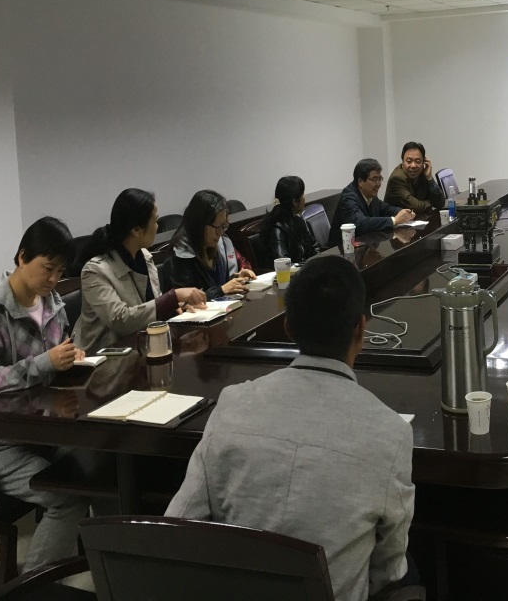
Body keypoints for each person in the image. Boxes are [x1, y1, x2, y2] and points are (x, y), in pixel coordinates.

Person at [166, 255, 416, 601]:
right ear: (361, 329)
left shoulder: (232, 404)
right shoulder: (391, 433)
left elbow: (179, 525)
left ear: (288, 328)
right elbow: (389, 571)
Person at [0, 217, 90, 570]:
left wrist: (70, 358)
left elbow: (57, 358)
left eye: (60, 271)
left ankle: (111, 565)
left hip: (45, 430)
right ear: (22, 257)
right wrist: (45, 363)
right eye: (48, 268)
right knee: (67, 497)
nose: (54, 279)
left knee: (105, 467)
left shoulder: (51, 302)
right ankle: (35, 588)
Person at [74, 189, 206, 352]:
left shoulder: (145, 257)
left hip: (141, 349)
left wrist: (174, 307)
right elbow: (121, 321)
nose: (157, 227)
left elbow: (149, 308)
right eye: (155, 221)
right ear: (136, 230)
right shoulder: (95, 271)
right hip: (104, 358)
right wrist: (172, 297)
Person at [169, 190, 256, 300]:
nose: (221, 232)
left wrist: (239, 275)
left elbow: (241, 262)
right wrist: (221, 290)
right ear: (200, 225)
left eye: (224, 226)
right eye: (217, 227)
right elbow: (184, 302)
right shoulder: (181, 256)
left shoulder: (221, 242)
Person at [328, 159, 415, 248]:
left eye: (380, 179)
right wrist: (394, 220)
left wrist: (403, 213)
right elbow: (361, 224)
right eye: (375, 179)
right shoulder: (348, 198)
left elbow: (385, 209)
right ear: (360, 181)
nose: (379, 184)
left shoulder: (369, 194)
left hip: (364, 246)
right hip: (341, 251)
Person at [259, 175, 321, 264]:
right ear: (295, 202)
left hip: (305, 269)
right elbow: (283, 263)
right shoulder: (277, 229)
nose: (304, 197)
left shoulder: (299, 220)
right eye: (303, 194)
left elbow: (315, 247)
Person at [384, 141, 446, 216]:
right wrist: (431, 203)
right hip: (397, 222)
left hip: (417, 220)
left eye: (418, 161)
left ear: (424, 162)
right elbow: (415, 206)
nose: (413, 165)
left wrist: (430, 178)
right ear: (402, 162)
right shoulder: (397, 178)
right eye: (409, 161)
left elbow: (440, 203)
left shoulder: (423, 174)